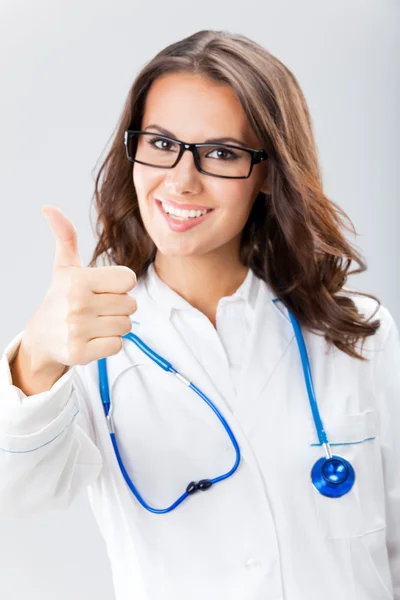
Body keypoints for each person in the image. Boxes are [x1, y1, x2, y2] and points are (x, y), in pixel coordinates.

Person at [0, 29, 399, 600]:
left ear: (267, 173)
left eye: (221, 153)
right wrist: (37, 357)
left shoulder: (362, 334)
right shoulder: (86, 345)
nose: (182, 179)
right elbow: (16, 495)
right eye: (161, 144)